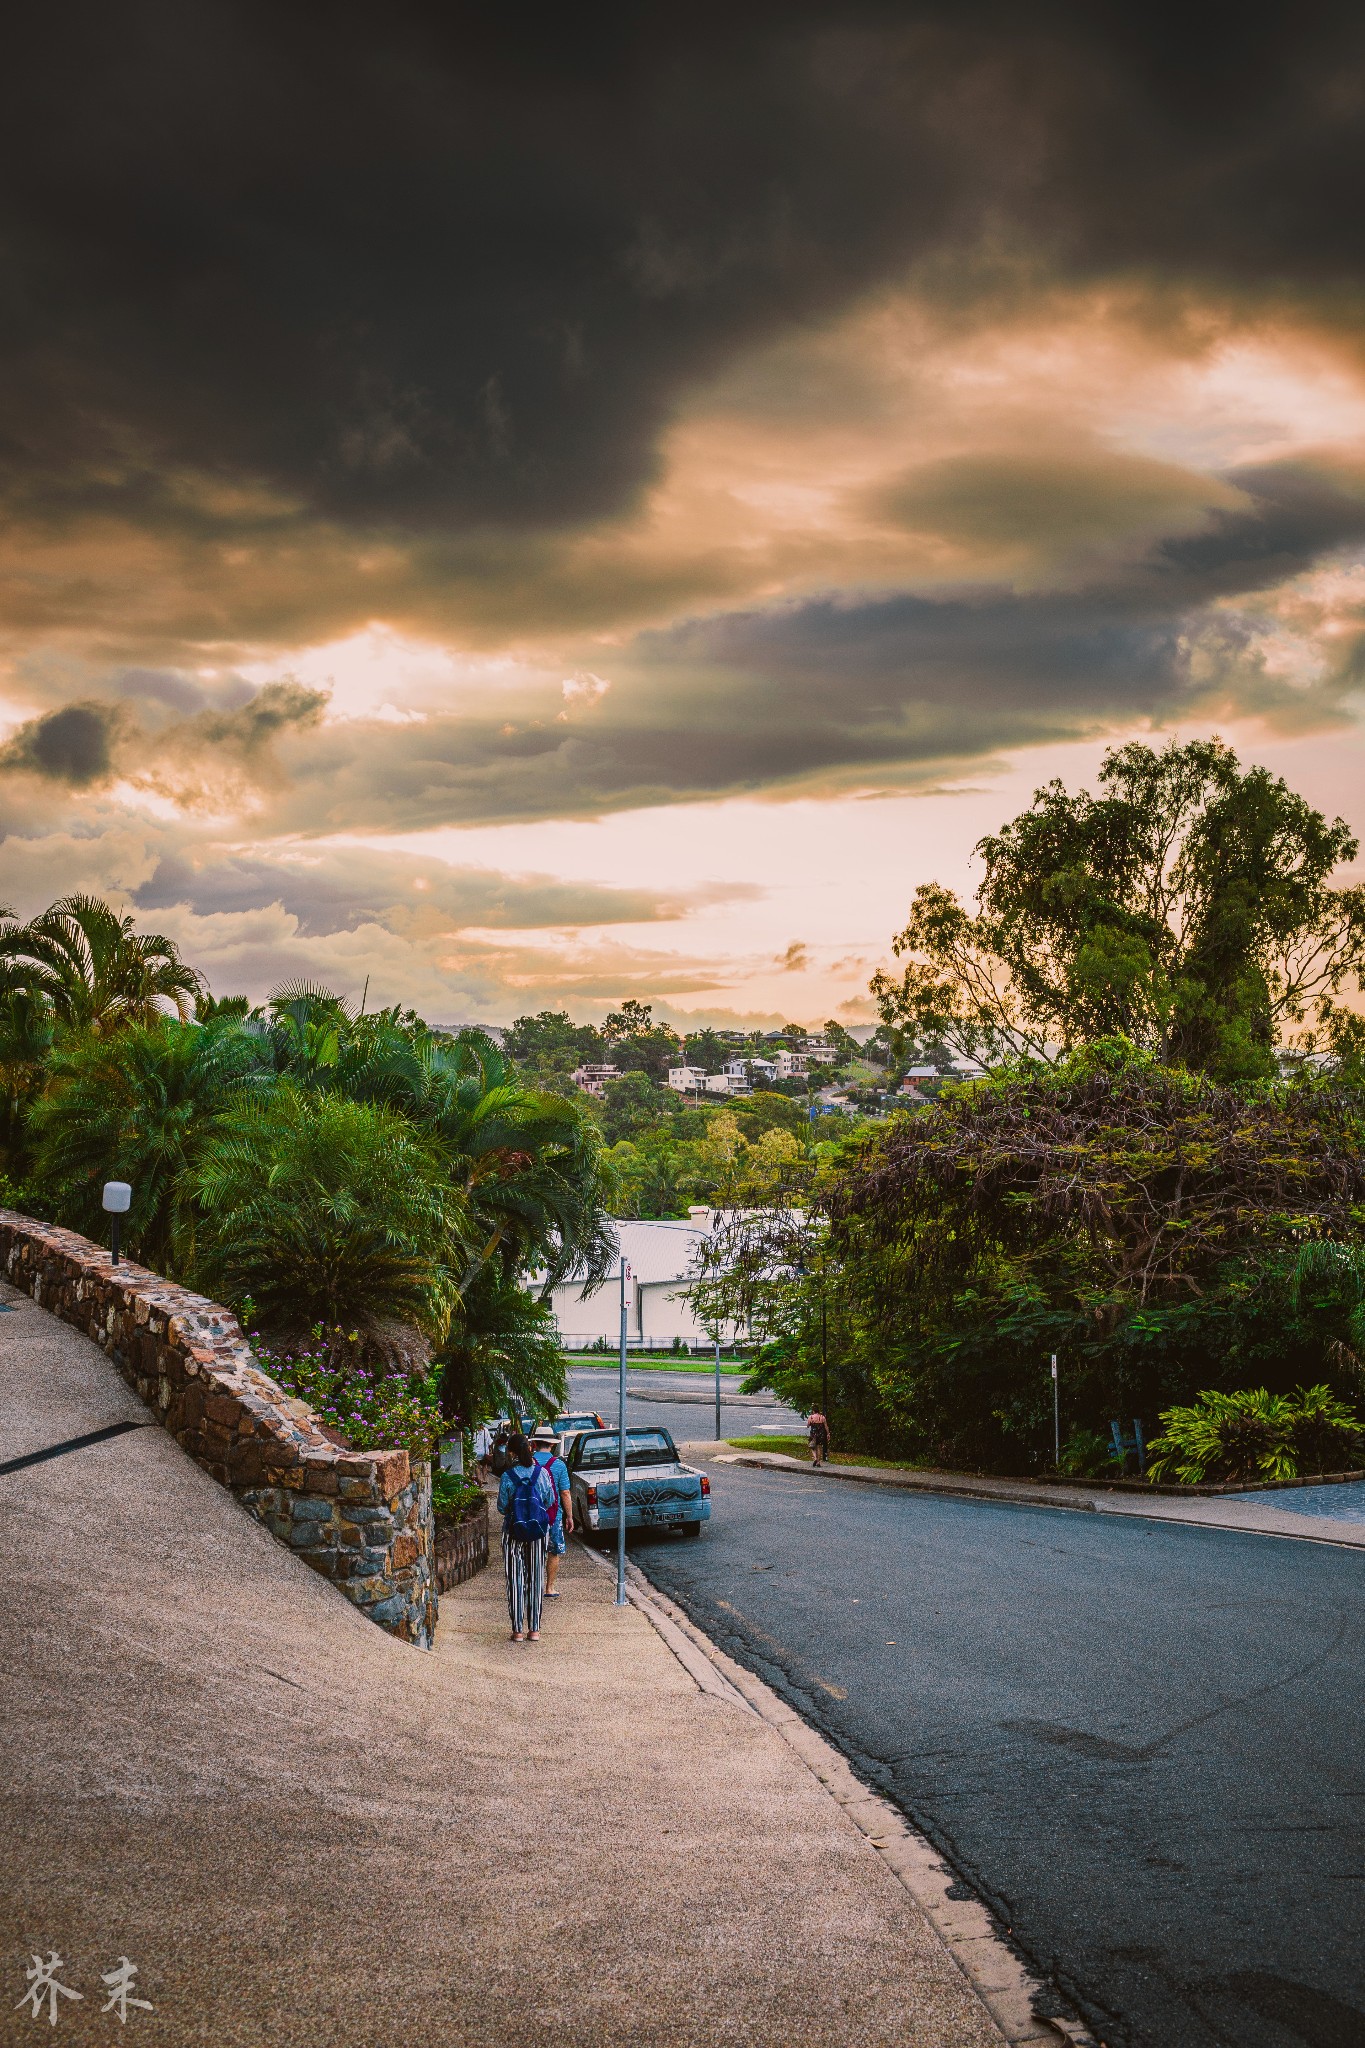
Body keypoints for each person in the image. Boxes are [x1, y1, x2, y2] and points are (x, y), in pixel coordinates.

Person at [497, 1434, 557, 1641]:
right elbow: (549, 1501)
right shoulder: (542, 1474)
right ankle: (535, 1630)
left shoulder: (507, 1476)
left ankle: (518, 1631)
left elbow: (501, 1507)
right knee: (536, 1577)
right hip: (537, 1532)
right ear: (530, 1449)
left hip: (513, 1531)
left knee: (515, 1579)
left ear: (511, 1452)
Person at [529, 1422, 574, 1598]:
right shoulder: (559, 1465)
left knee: (532, 1550)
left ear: (534, 1444)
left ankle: (533, 1587)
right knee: (553, 1551)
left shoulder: (528, 1462)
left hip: (531, 1514)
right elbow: (565, 1492)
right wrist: (569, 1516)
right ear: (552, 1444)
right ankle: (549, 1588)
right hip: (553, 1516)